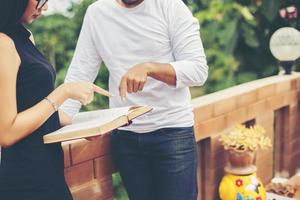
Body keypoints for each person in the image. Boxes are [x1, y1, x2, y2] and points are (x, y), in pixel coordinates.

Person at [61, 0, 208, 199]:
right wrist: (60, 121)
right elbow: (80, 73)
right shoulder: (97, 13)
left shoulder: (171, 6)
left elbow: (198, 71)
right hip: (126, 137)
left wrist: (149, 68)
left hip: (172, 132)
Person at [0, 0, 108, 199]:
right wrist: (63, 92)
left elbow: (33, 108)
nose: (45, 8)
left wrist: (82, 127)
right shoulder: (2, 44)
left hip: (49, 169)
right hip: (24, 179)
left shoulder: (25, 36)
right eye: (40, 1)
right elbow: (6, 133)